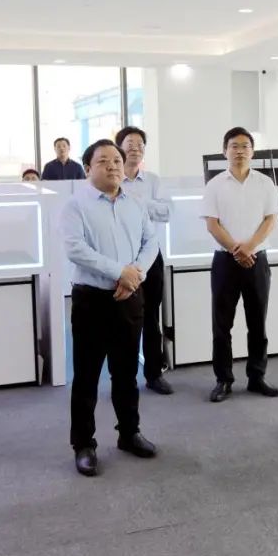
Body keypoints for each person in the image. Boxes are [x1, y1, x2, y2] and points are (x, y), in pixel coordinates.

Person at [61, 139, 159, 477]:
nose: (113, 165)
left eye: (116, 160)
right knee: (87, 376)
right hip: (92, 300)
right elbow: (76, 249)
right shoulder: (76, 205)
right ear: (88, 168)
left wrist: (135, 275)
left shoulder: (135, 203)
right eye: (103, 161)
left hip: (129, 298)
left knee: (126, 373)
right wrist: (120, 272)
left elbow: (151, 242)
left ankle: (129, 433)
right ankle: (83, 444)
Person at [202, 126, 278, 402]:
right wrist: (237, 249)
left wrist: (249, 247)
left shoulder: (265, 183)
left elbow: (270, 220)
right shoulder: (214, 185)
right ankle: (223, 379)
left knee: (257, 322)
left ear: (253, 151)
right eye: (233, 146)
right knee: (221, 324)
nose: (239, 151)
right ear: (224, 151)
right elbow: (212, 224)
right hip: (225, 261)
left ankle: (256, 377)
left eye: (245, 146)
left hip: (257, 259)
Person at [116, 125, 175, 395]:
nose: (135, 148)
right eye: (130, 143)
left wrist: (140, 202)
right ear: (119, 148)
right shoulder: (112, 179)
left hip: (151, 256)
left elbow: (167, 212)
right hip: (120, 258)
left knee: (151, 316)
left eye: (140, 144)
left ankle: (154, 374)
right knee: (121, 319)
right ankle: (123, 377)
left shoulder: (152, 180)